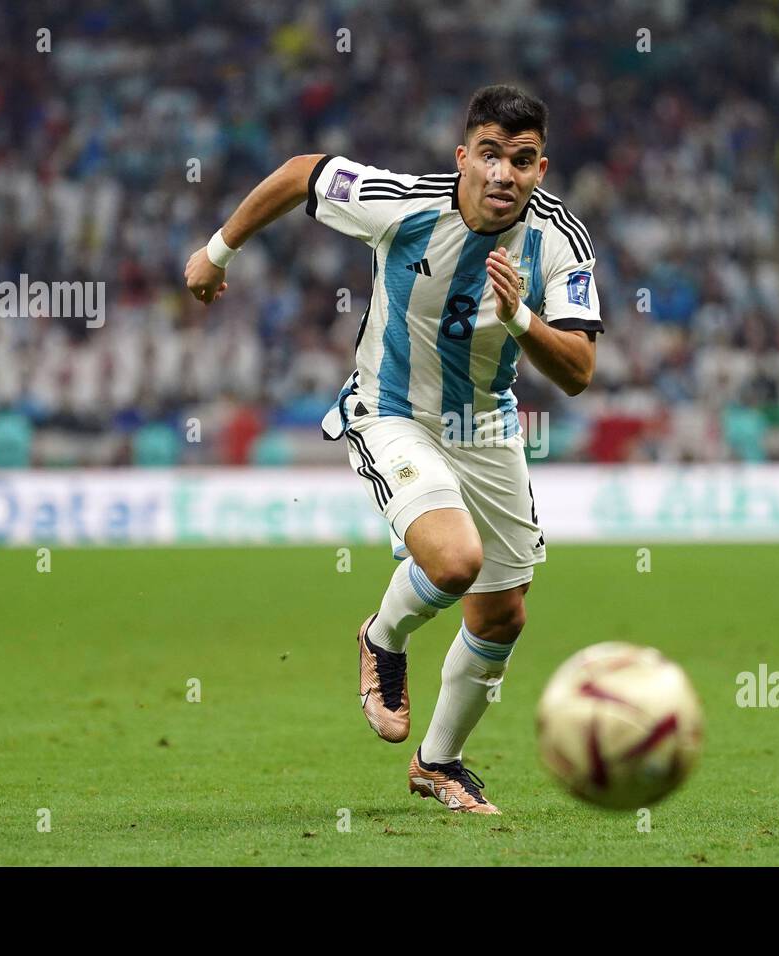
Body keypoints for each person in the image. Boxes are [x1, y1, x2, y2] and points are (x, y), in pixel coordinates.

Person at [184, 84, 603, 813]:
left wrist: (521, 317)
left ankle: (438, 763)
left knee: (502, 615)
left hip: (486, 426)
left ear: (543, 168)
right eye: (492, 156)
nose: (505, 174)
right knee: (453, 560)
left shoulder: (559, 240)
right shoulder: (403, 202)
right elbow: (301, 172)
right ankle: (382, 638)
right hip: (391, 410)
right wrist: (217, 252)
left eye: (524, 160)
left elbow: (578, 371)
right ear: (463, 157)